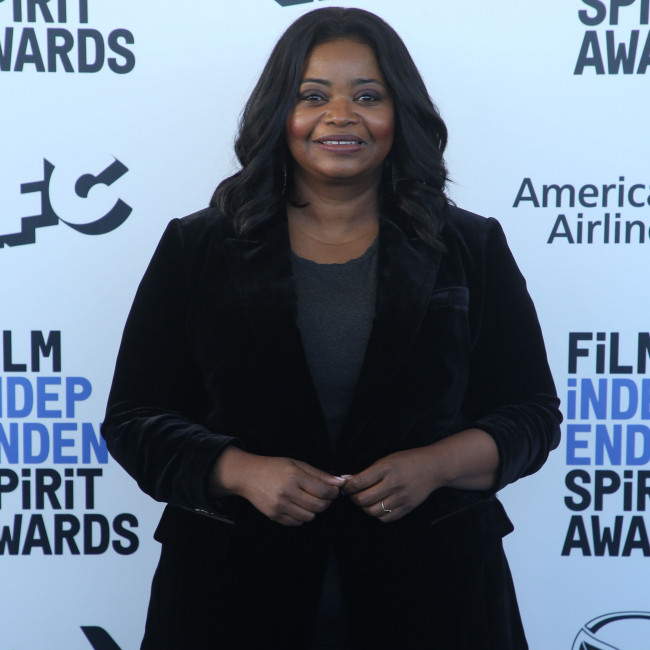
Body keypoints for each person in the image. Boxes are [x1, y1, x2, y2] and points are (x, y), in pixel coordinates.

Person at [102, 7, 561, 649]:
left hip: (438, 601)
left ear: (400, 113)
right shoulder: (197, 247)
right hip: (230, 601)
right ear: (278, 114)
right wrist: (239, 471)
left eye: (367, 96)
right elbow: (134, 418)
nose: (340, 116)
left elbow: (532, 414)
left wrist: (434, 466)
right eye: (313, 96)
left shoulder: (471, 245)